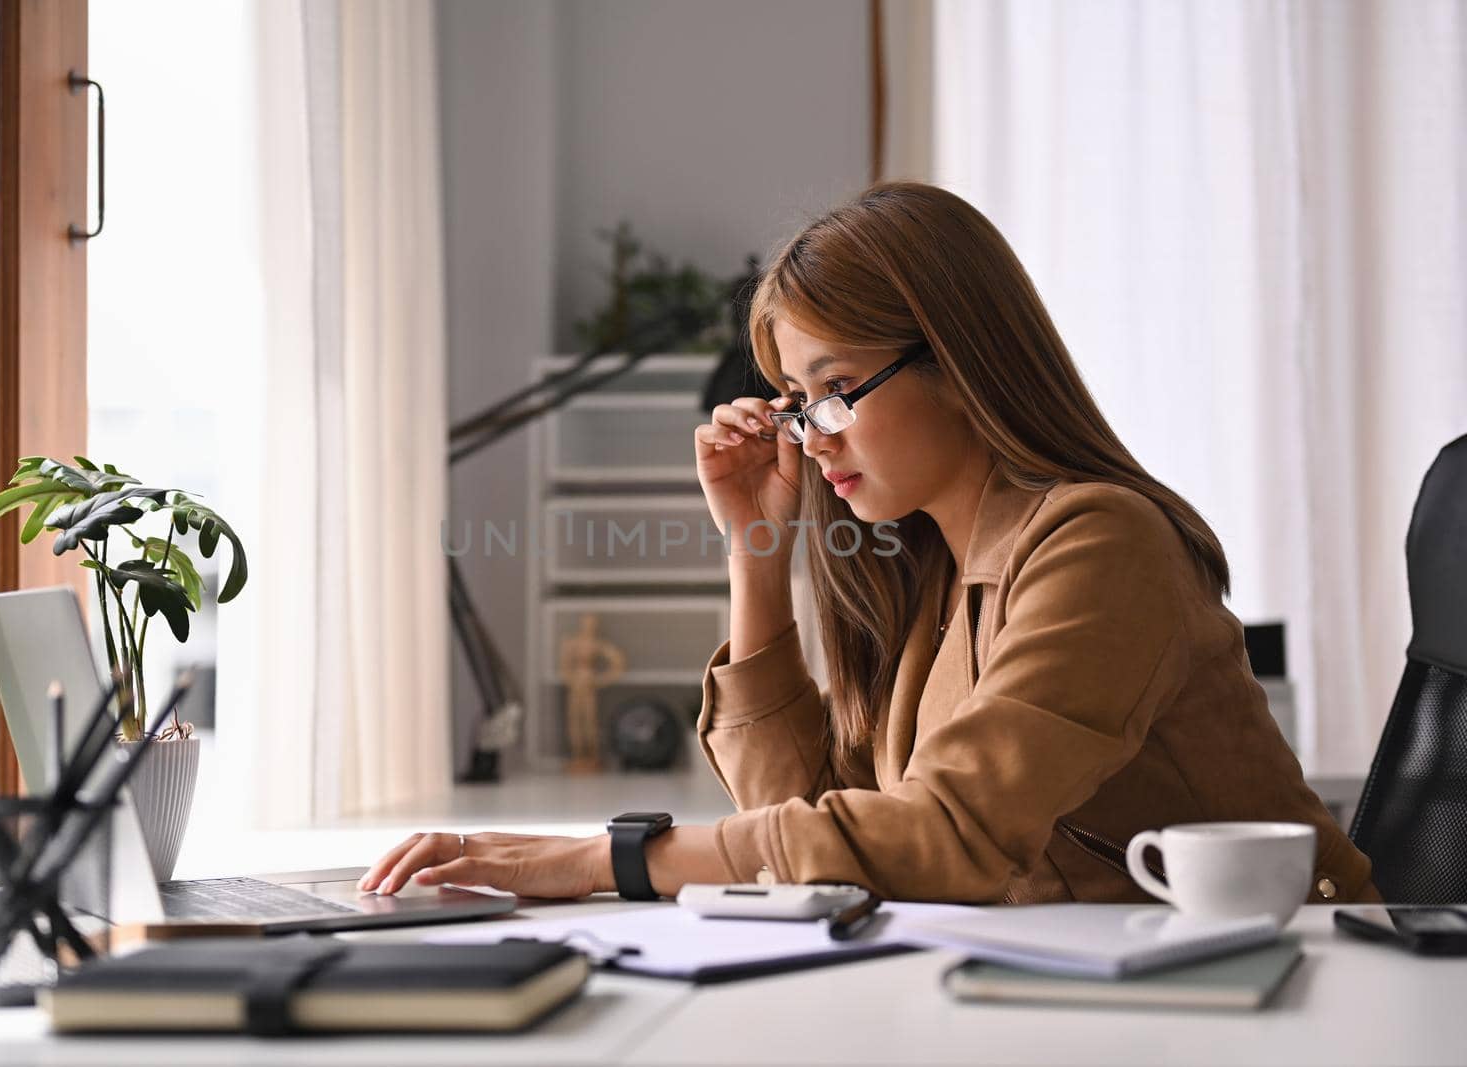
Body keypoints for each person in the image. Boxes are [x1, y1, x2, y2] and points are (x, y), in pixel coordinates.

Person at [359, 181, 1380, 905]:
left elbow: (950, 832)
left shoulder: (1097, 542)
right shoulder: (926, 572)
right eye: (800, 403)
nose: (813, 432)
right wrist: (758, 554)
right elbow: (811, 826)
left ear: (961, 361)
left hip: (1299, 979)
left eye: (836, 391)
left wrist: (599, 857)